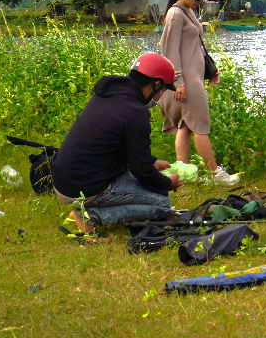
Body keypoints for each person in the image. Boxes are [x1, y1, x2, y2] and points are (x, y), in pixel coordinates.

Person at [51, 53, 183, 240]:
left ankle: (102, 213)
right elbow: (141, 171)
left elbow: (118, 146)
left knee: (151, 189)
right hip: (83, 188)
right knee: (161, 202)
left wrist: (152, 161)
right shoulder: (136, 112)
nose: (160, 96)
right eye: (163, 90)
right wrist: (169, 183)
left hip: (65, 178)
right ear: (156, 84)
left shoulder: (107, 95)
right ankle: (88, 218)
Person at [159, 0, 239, 186]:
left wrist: (210, 70)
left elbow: (194, 47)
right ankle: (216, 176)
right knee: (201, 127)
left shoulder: (187, 11)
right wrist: (178, 82)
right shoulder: (176, 14)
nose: (200, 1)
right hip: (185, 81)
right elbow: (169, 50)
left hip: (192, 77)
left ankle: (184, 175)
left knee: (185, 126)